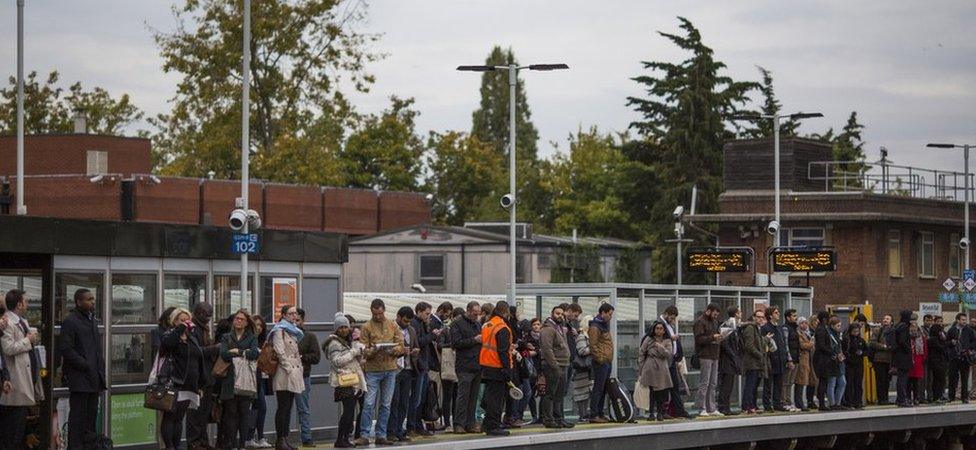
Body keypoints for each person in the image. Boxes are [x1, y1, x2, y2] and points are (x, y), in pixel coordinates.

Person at [354, 299, 406, 447]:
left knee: (386, 404)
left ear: (384, 310)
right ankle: (364, 434)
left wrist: (393, 350)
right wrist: (374, 350)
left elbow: (401, 346)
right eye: (375, 314)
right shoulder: (366, 327)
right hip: (373, 370)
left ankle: (381, 434)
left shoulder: (392, 325)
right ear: (371, 311)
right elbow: (363, 350)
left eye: (380, 313)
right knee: (369, 403)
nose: (378, 316)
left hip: (390, 369)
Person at [60, 288, 106, 450]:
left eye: (93, 299)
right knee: (78, 419)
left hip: (94, 378)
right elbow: (66, 348)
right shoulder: (70, 321)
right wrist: (84, 364)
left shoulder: (92, 320)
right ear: (78, 302)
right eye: (88, 299)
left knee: (91, 419)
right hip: (80, 379)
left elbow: (95, 349)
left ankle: (89, 445)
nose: (92, 302)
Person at [159, 308, 205, 450]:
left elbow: (199, 359)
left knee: (179, 418)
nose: (185, 322)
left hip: (189, 384)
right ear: (174, 321)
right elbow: (167, 345)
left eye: (187, 319)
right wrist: (179, 329)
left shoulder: (192, 337)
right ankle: (169, 446)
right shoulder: (170, 335)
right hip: (174, 382)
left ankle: (177, 445)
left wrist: (200, 384)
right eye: (181, 320)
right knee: (170, 416)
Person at [0, 289, 42, 450]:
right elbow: (8, 348)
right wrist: (27, 340)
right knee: (12, 429)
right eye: (26, 301)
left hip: (26, 379)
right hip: (15, 382)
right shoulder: (7, 323)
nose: (28, 304)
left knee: (20, 428)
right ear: (19, 304)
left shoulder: (22, 321)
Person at [217, 309, 259, 450]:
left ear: (247, 323)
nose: (239, 321)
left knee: (244, 414)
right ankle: (232, 444)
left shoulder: (252, 337)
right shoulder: (226, 337)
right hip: (230, 379)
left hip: (246, 379)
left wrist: (237, 351)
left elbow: (254, 354)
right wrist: (241, 353)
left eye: (242, 319)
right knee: (231, 414)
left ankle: (242, 444)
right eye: (237, 318)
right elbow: (223, 354)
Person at [325, 312, 366, 448]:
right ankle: (340, 439)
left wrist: (359, 352)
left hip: (351, 380)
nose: (344, 329)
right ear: (336, 329)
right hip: (343, 380)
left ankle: (344, 439)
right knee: (348, 411)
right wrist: (354, 352)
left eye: (345, 327)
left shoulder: (347, 341)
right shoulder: (334, 343)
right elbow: (337, 361)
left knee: (350, 411)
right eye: (340, 327)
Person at [271, 306, 306, 449]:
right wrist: (288, 368)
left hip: (295, 371)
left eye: (295, 313)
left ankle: (285, 439)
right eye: (291, 314)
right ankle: (279, 440)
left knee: (289, 407)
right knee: (283, 407)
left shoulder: (294, 330)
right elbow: (279, 350)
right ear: (284, 315)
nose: (294, 316)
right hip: (284, 372)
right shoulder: (279, 330)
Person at [186, 303, 219, 450]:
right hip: (196, 377)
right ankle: (194, 442)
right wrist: (214, 349)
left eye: (210, 315)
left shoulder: (205, 329)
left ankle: (203, 440)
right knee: (195, 412)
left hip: (207, 376)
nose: (208, 318)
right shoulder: (192, 329)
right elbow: (195, 352)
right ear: (197, 313)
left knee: (205, 412)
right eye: (205, 315)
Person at [480, 301, 514, 437]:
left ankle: (487, 424)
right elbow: (503, 351)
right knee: (496, 399)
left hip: (486, 365)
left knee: (490, 396)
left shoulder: (488, 324)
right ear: (506, 312)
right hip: (497, 366)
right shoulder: (502, 327)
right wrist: (507, 369)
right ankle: (493, 426)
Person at [653, 305, 691, 418]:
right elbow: (656, 339)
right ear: (666, 314)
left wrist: (678, 355)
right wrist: (671, 339)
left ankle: (679, 410)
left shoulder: (670, 325)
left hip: (671, 359)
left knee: (675, 386)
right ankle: (662, 411)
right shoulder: (659, 324)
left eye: (674, 318)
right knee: (664, 387)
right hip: (664, 360)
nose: (673, 320)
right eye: (671, 317)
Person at [450, 301, 483, 434]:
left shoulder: (477, 323)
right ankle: (459, 423)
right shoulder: (457, 324)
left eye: (478, 314)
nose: (476, 316)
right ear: (468, 310)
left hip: (477, 364)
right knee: (463, 396)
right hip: (464, 365)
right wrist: (474, 340)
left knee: (473, 397)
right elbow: (456, 343)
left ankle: (470, 423)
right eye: (474, 314)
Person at [388, 306, 419, 443]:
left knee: (404, 402)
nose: (407, 324)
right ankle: (391, 431)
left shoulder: (411, 330)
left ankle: (399, 430)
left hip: (407, 369)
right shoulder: (390, 329)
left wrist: (414, 352)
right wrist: (400, 351)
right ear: (398, 317)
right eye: (405, 321)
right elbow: (387, 348)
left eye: (409, 322)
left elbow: (416, 345)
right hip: (394, 369)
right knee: (393, 402)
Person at [539, 306, 572, 428]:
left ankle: (559, 418)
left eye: (562, 314)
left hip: (564, 364)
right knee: (550, 393)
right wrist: (554, 365)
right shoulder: (548, 329)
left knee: (559, 394)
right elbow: (547, 349)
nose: (560, 316)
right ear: (552, 313)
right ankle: (548, 419)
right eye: (557, 313)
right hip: (554, 365)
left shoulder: (560, 328)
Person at [408, 302, 438, 436]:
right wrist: (432, 335)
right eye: (426, 313)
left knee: (421, 397)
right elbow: (419, 342)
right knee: (416, 398)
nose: (428, 316)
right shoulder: (414, 324)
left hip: (424, 365)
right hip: (419, 366)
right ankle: (413, 425)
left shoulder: (422, 324)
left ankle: (417, 424)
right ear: (419, 312)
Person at [294, 309, 321, 448]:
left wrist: (303, 357)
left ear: (303, 320)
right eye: (292, 320)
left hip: (302, 376)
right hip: (287, 376)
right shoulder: (284, 335)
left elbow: (316, 357)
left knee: (303, 408)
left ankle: (306, 437)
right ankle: (284, 437)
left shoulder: (309, 336)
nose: (295, 323)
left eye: (297, 320)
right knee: (284, 409)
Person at [246, 315, 273, 449]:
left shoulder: (264, 342)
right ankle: (251, 437)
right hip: (250, 378)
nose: (258, 328)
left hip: (262, 377)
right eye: (256, 325)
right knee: (258, 407)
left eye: (261, 325)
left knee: (259, 408)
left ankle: (257, 436)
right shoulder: (249, 341)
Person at [639, 321, 674, 421]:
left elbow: (669, 354)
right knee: (652, 391)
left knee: (661, 391)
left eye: (661, 328)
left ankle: (660, 412)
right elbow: (642, 352)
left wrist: (660, 347)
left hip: (662, 367)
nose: (659, 330)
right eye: (657, 328)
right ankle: (650, 413)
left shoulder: (667, 341)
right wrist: (641, 367)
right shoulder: (648, 339)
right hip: (650, 366)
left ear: (664, 330)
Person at [587, 303, 615, 423]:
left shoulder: (603, 325)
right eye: (609, 314)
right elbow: (593, 346)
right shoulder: (595, 326)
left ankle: (600, 412)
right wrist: (601, 358)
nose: (610, 317)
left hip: (607, 361)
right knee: (598, 388)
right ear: (603, 312)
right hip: (601, 362)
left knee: (603, 388)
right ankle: (594, 414)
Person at [693, 303, 722, 416]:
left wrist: (719, 337)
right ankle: (702, 407)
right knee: (704, 382)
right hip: (705, 355)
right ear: (708, 311)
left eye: (717, 315)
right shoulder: (700, 322)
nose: (715, 316)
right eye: (714, 314)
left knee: (713, 383)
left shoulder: (714, 322)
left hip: (715, 354)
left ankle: (711, 408)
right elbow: (699, 339)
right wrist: (713, 337)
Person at [761, 306, 789, 412]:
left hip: (780, 359)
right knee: (768, 383)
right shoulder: (766, 328)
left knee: (779, 383)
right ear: (770, 315)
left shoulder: (779, 328)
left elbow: (782, 344)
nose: (778, 314)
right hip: (770, 360)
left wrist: (786, 357)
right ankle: (767, 404)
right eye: (776, 312)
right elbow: (763, 345)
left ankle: (777, 403)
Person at [716, 307, 742, 416]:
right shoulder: (728, 325)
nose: (741, 314)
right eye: (739, 312)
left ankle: (726, 406)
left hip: (732, 360)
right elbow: (725, 343)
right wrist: (733, 355)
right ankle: (723, 407)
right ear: (736, 314)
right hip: (727, 361)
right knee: (726, 385)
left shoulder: (735, 325)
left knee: (729, 385)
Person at [740, 309, 767, 414]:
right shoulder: (750, 328)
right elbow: (749, 345)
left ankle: (752, 405)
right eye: (759, 317)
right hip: (751, 362)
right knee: (750, 385)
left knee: (754, 385)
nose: (760, 319)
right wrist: (760, 355)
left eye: (762, 317)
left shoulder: (757, 328)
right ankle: (746, 406)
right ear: (754, 317)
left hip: (756, 362)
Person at [516, 318, 541, 424]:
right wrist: (535, 351)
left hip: (537, 367)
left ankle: (533, 415)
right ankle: (521, 415)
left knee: (531, 392)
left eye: (538, 324)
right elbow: (525, 353)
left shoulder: (541, 337)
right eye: (534, 324)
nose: (536, 326)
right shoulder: (526, 339)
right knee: (528, 393)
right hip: (527, 368)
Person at [947, 313, 975, 403]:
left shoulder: (969, 330)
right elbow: (946, 342)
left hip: (965, 357)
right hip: (954, 357)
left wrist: (968, 348)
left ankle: (964, 397)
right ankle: (951, 396)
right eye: (962, 320)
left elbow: (974, 342)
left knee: (965, 378)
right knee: (952, 377)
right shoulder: (952, 330)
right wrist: (951, 343)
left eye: (965, 320)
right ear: (957, 320)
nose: (964, 321)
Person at [869, 314, 894, 405]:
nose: (885, 320)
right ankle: (881, 399)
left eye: (887, 319)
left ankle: (885, 398)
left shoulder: (893, 331)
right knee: (880, 380)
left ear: (891, 322)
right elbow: (872, 343)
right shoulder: (878, 330)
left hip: (889, 360)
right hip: (879, 360)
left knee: (887, 380)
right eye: (884, 318)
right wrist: (883, 346)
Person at [842, 322, 866, 409]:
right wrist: (850, 357)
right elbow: (845, 351)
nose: (856, 333)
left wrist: (862, 353)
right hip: (849, 364)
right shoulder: (847, 340)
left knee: (858, 384)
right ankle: (849, 401)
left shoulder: (861, 341)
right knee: (849, 383)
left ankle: (858, 402)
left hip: (859, 364)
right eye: (854, 331)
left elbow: (867, 351)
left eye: (857, 331)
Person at [892, 310, 913, 407]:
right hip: (903, 356)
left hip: (897, 355)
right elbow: (902, 341)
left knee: (901, 378)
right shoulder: (904, 327)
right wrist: (909, 350)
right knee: (903, 379)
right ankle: (902, 399)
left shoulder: (898, 325)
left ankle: (900, 399)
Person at [781, 309, 801, 411]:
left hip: (796, 358)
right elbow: (785, 344)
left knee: (791, 382)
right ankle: (784, 402)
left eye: (796, 315)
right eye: (793, 316)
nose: (795, 317)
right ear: (788, 317)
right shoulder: (785, 328)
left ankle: (789, 401)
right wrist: (789, 359)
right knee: (786, 381)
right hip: (790, 359)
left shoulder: (794, 328)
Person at [794, 316, 814, 411]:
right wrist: (811, 344)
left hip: (808, 359)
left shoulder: (807, 333)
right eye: (802, 323)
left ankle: (801, 401)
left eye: (806, 323)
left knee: (805, 380)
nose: (805, 325)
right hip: (802, 359)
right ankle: (799, 402)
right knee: (801, 381)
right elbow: (802, 345)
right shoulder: (798, 333)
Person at [928, 320, 948, 404]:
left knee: (938, 380)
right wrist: (945, 341)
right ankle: (937, 396)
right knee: (940, 380)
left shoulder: (934, 339)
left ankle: (938, 396)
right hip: (937, 362)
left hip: (938, 362)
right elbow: (941, 348)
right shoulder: (933, 339)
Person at [908, 322, 927, 406]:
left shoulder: (921, 337)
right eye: (912, 328)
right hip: (909, 361)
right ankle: (908, 398)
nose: (913, 329)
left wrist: (923, 358)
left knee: (916, 382)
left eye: (915, 328)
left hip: (918, 361)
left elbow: (925, 349)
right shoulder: (907, 337)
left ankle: (916, 398)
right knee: (908, 382)